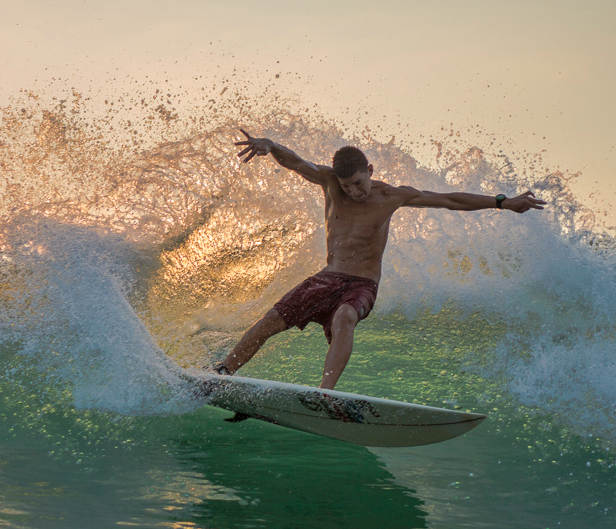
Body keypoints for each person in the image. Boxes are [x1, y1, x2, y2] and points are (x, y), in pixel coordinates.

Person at [214, 131, 546, 389]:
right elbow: (299, 163)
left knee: (345, 316)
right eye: (347, 186)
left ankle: (324, 394)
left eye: (358, 183)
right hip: (327, 277)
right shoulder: (330, 183)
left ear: (370, 171)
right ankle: (222, 372)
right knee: (271, 320)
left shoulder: (390, 196)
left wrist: (502, 202)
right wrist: (271, 146)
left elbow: (449, 200)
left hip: (361, 284)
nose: (354, 192)